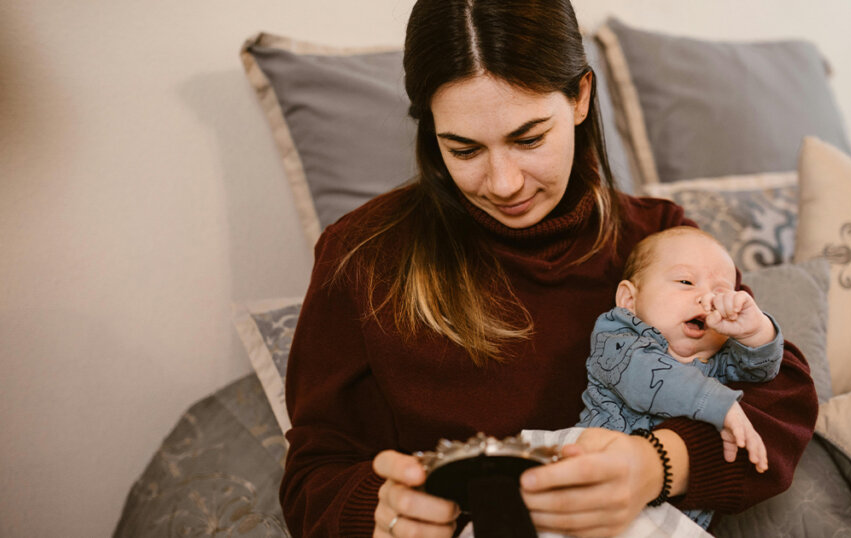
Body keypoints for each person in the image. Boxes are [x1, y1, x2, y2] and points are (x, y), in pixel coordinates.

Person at [279, 0, 819, 536]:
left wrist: (655, 465)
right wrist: (381, 512)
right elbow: (313, 474)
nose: (504, 182)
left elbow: (782, 399)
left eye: (528, 138)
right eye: (464, 149)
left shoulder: (658, 242)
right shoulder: (360, 256)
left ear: (580, 97)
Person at [577, 227, 785, 529]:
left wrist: (755, 332)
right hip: (593, 486)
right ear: (629, 299)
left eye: (720, 293)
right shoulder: (618, 337)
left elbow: (762, 373)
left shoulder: (718, 355)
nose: (705, 298)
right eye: (686, 282)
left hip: (673, 519)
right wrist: (720, 404)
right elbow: (646, 379)